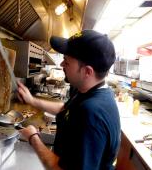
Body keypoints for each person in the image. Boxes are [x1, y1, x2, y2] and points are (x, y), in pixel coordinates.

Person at [17, 30, 121, 170]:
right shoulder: (91, 91)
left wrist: (33, 137)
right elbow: (65, 109)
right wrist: (31, 100)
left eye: (66, 62)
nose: (61, 65)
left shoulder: (91, 113)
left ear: (87, 72)